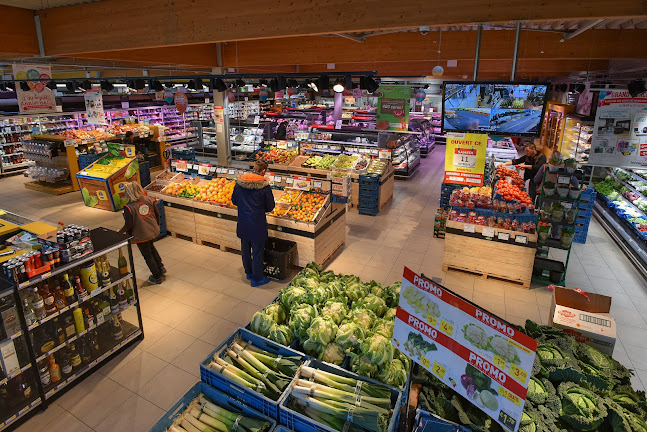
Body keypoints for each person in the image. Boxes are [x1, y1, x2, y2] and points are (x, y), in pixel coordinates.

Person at [231, 160, 275, 287]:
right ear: (263, 171)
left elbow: (234, 200)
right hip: (257, 223)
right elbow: (270, 206)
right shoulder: (264, 186)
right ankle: (257, 278)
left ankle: (249, 272)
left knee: (245, 249)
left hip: (243, 221)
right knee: (257, 251)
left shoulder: (239, 183)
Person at [118, 182, 165, 285]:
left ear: (129, 193)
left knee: (147, 255)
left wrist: (120, 232)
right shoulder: (148, 199)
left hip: (141, 235)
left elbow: (129, 225)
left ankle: (156, 276)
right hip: (152, 231)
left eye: (125, 191)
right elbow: (157, 214)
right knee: (152, 249)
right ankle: (161, 268)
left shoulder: (128, 207)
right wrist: (156, 226)